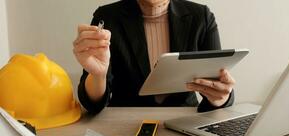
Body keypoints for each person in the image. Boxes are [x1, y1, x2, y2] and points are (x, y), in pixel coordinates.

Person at [73, 0, 235, 114]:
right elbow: (92, 104)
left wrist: (221, 97)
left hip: (185, 122)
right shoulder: (107, 17)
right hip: (124, 125)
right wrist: (98, 75)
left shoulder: (202, 17)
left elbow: (217, 84)